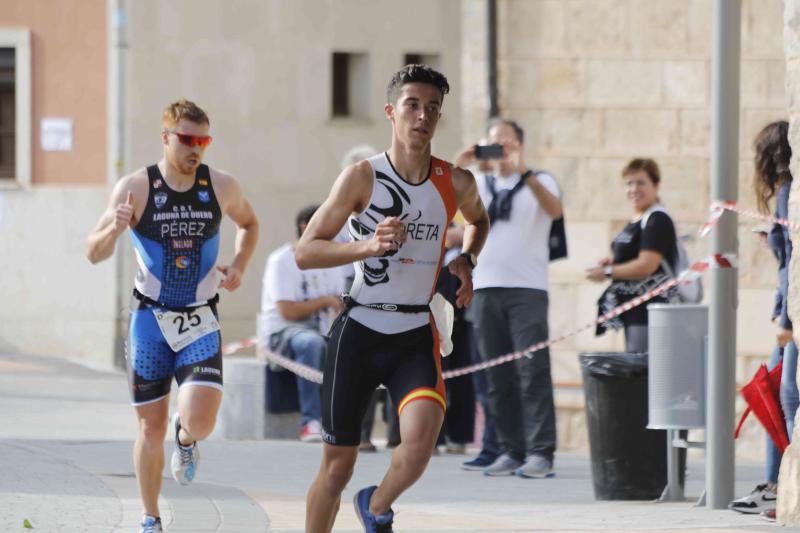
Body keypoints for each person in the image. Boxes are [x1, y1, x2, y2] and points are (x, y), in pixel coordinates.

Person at [296, 64, 489, 532]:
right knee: (337, 466)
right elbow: (306, 251)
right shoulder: (361, 178)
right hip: (360, 327)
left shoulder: (456, 181)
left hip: (414, 331)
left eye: (433, 108)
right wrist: (368, 245)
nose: (423, 116)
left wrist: (467, 261)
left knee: (420, 444)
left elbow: (479, 222)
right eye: (413, 105)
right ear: (391, 111)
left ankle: (376, 506)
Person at [86, 99, 259, 533]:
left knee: (200, 418)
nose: (195, 148)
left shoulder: (220, 185)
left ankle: (186, 441)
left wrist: (239, 264)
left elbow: (250, 223)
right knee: (149, 425)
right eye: (186, 139)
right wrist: (115, 226)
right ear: (166, 137)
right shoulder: (136, 188)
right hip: (150, 320)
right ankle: (150, 518)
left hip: (199, 317)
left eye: (203, 140)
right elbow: (93, 252)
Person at [456, 119, 562, 479]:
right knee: (496, 376)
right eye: (493, 141)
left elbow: (555, 211)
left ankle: (540, 451)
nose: (500, 146)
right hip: (485, 288)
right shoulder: (479, 185)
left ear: (519, 144)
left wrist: (523, 171)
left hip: (527, 290)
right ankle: (509, 449)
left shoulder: (540, 180)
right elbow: (449, 211)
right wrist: (462, 163)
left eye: (507, 141)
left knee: (532, 371)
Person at [730, 120, 797, 522]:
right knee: (773, 393)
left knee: (784, 396)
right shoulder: (788, 195)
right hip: (787, 309)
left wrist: (787, 322)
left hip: (790, 315)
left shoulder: (789, 191)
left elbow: (792, 263)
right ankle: (774, 483)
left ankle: (780, 485)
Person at [260, 204, 344, 442]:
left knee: (354, 345)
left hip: (323, 331)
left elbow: (340, 304)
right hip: (283, 334)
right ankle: (311, 422)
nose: (336, 231)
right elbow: (287, 311)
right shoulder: (281, 260)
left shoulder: (333, 261)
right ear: (306, 227)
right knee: (311, 343)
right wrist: (325, 301)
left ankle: (344, 424)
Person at [587, 158, 678, 354]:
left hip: (651, 310)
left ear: (656, 185)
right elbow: (636, 256)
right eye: (629, 183)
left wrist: (609, 272)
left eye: (641, 182)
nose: (634, 189)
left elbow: (646, 265)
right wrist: (615, 263)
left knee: (643, 370)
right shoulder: (640, 219)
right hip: (634, 309)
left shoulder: (657, 219)